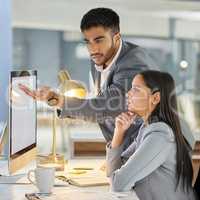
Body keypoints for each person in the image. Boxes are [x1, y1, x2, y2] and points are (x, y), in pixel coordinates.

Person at [19, 7, 157, 149]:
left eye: (98, 40)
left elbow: (106, 106)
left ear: (116, 38)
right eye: (88, 42)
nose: (92, 49)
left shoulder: (133, 63)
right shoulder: (99, 57)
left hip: (147, 148)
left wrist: (58, 100)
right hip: (123, 148)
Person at [106, 70, 197, 200]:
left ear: (155, 98)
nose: (128, 94)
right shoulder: (147, 128)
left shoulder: (160, 136)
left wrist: (117, 177)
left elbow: (118, 184)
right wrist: (118, 133)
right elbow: (116, 171)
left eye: (136, 89)